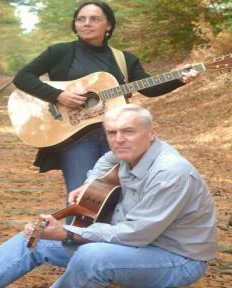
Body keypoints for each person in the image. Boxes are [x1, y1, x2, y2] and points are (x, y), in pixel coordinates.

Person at [0, 104, 217, 288]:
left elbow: (135, 235)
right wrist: (91, 184)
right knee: (38, 235)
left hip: (176, 259)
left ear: (153, 133)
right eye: (112, 132)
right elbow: (106, 161)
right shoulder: (124, 152)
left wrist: (67, 234)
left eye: (128, 131)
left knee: (94, 256)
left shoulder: (171, 172)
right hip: (137, 244)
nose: (119, 139)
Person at [12, 0, 200, 197]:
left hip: (117, 136)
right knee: (82, 199)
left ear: (108, 25)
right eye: (81, 19)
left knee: (116, 197)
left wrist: (179, 79)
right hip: (75, 136)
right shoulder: (60, 52)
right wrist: (59, 95)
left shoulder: (123, 59)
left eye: (95, 19)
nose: (86, 23)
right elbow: (23, 77)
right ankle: (77, 230)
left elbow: (149, 88)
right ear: (75, 24)